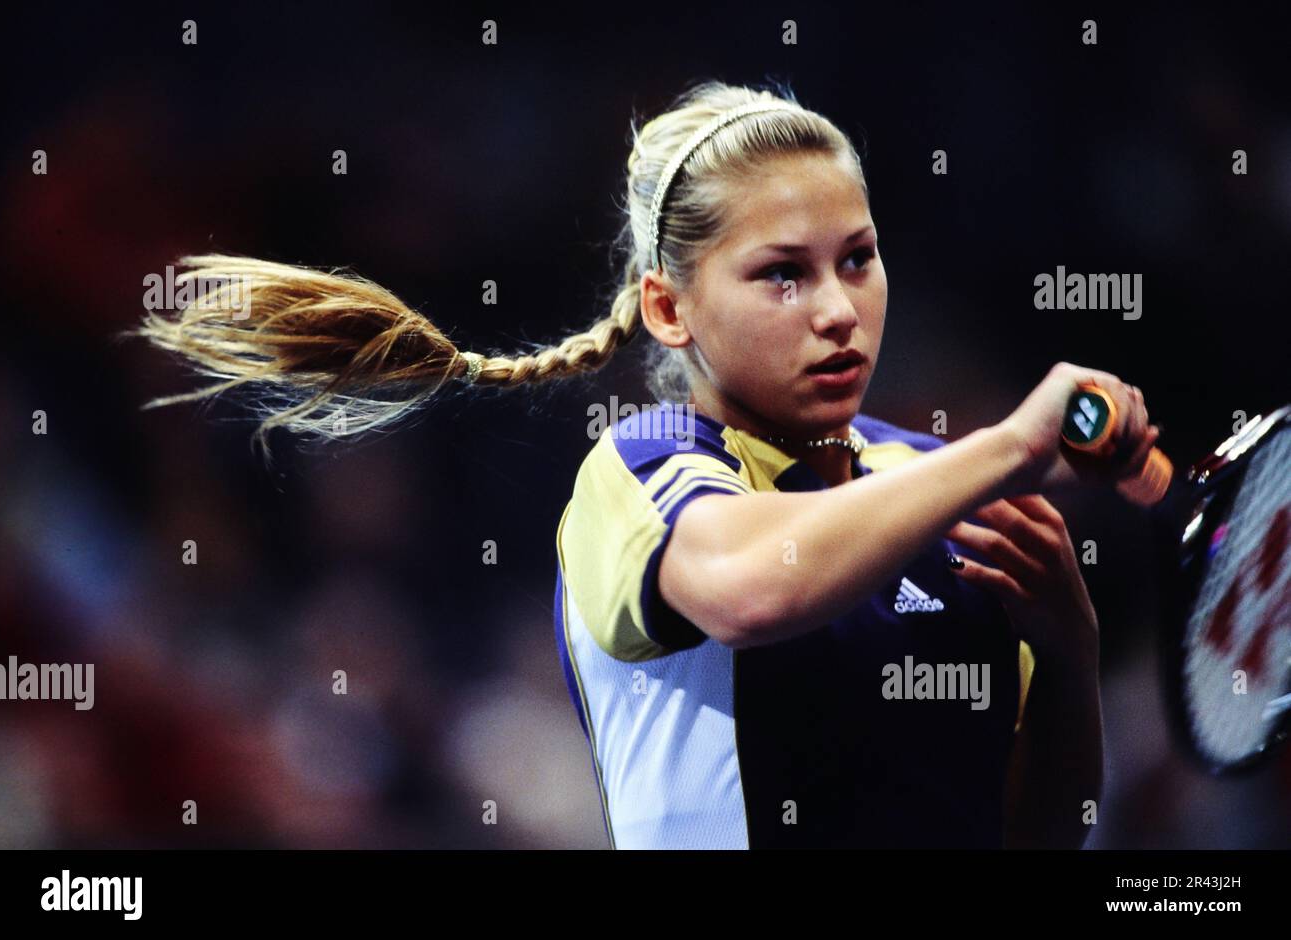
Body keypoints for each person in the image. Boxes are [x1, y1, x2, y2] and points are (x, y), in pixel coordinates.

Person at [135, 79, 1160, 850]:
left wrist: (1069, 665)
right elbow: (755, 590)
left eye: (857, 257)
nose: (840, 309)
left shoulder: (942, 483)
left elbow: (1042, 838)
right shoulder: (643, 469)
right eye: (781, 274)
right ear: (669, 307)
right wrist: (1011, 445)